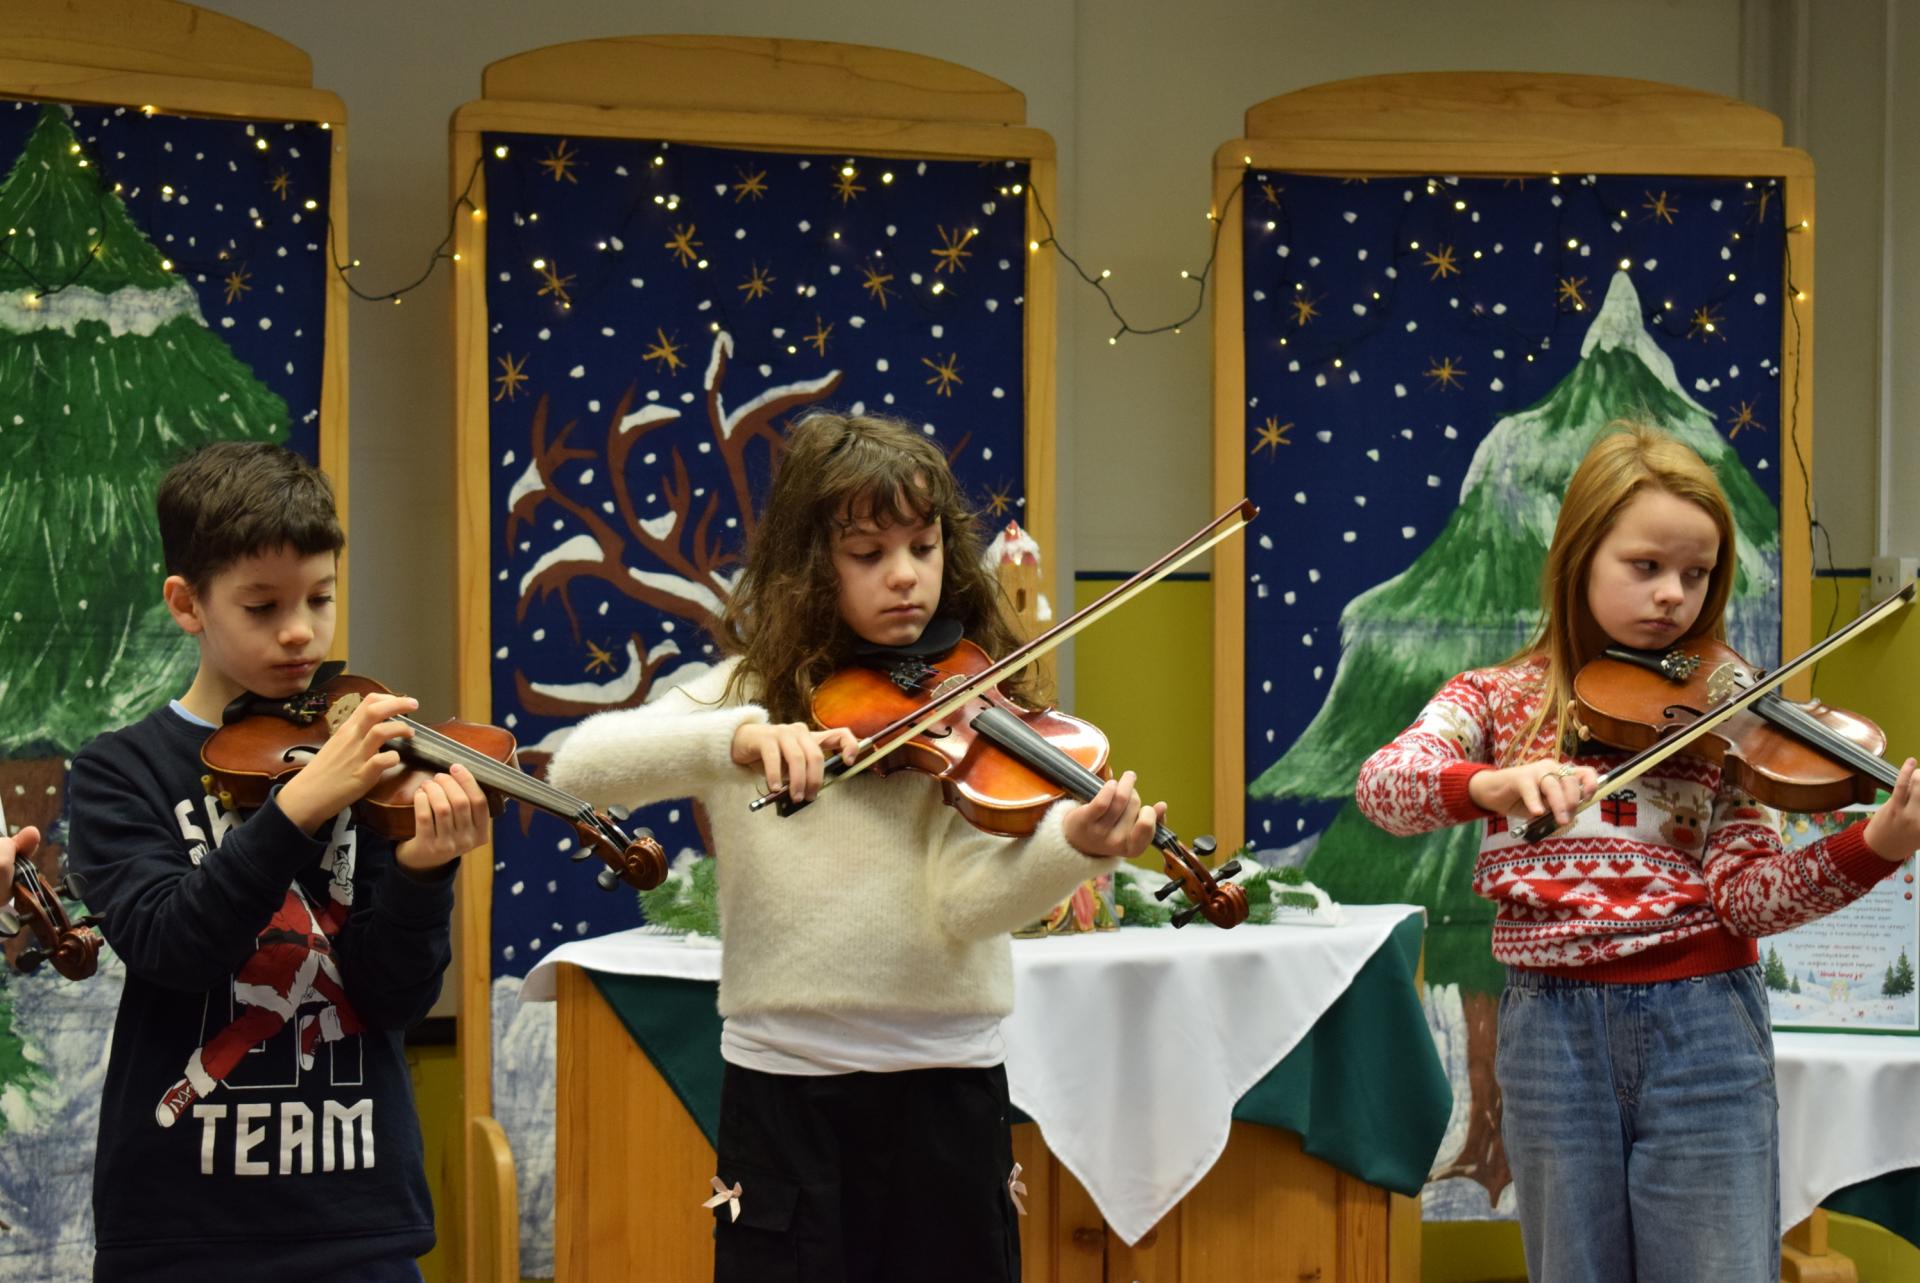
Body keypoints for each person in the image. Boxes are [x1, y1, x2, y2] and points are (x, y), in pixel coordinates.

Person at [548, 411, 1162, 1283]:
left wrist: (1076, 844)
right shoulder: (746, 693)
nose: (905, 575)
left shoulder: (966, 702)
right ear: (809, 565)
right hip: (786, 1090)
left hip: (948, 1084)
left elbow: (965, 905)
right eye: (868, 553)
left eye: (923, 546)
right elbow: (580, 766)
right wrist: (736, 739)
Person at [1355, 421, 1920, 1282]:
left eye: (1697, 575)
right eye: (1645, 565)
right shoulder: (1497, 699)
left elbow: (1749, 898)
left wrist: (1875, 843)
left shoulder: (1729, 723)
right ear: (1579, 557)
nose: (1673, 597)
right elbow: (1386, 786)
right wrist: (1492, 785)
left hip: (1704, 1028)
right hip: (1551, 1032)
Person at [66, 441, 490, 1282]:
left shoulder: (367, 760)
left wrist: (422, 873)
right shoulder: (121, 770)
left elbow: (393, 998)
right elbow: (171, 945)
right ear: (188, 603)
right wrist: (298, 809)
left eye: (320, 597)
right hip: (180, 1233)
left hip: (360, 1218)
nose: (301, 630)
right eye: (262, 606)